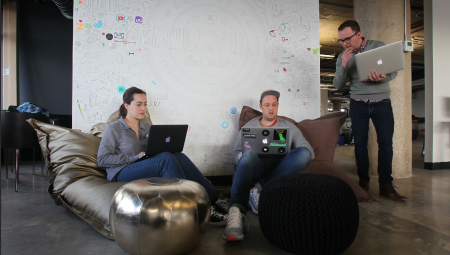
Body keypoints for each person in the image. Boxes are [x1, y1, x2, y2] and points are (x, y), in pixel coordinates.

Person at [97, 87, 229, 225]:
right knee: (165, 159)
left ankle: (214, 199)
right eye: (138, 104)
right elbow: (102, 159)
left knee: (178, 156)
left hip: (142, 165)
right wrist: (135, 157)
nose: (143, 108)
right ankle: (197, 208)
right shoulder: (114, 128)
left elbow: (154, 152)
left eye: (145, 104)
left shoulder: (147, 127)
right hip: (121, 171)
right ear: (126, 105)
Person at [223, 90, 314, 241]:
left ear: (278, 106)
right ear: (261, 106)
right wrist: (247, 154)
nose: (270, 109)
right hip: (256, 166)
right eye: (267, 105)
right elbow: (234, 156)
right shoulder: (249, 127)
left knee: (304, 154)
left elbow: (309, 152)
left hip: (280, 168)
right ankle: (237, 211)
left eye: (274, 105)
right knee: (248, 154)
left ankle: (257, 188)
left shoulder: (289, 127)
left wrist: (288, 153)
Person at [333, 20, 406, 201]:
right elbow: (337, 85)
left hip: (381, 102)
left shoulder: (377, 46)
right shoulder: (343, 55)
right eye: (341, 41)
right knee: (360, 145)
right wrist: (343, 65)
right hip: (358, 103)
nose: (345, 44)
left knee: (386, 144)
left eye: (347, 39)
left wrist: (382, 77)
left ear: (358, 35)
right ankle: (363, 182)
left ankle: (385, 185)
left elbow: (393, 72)